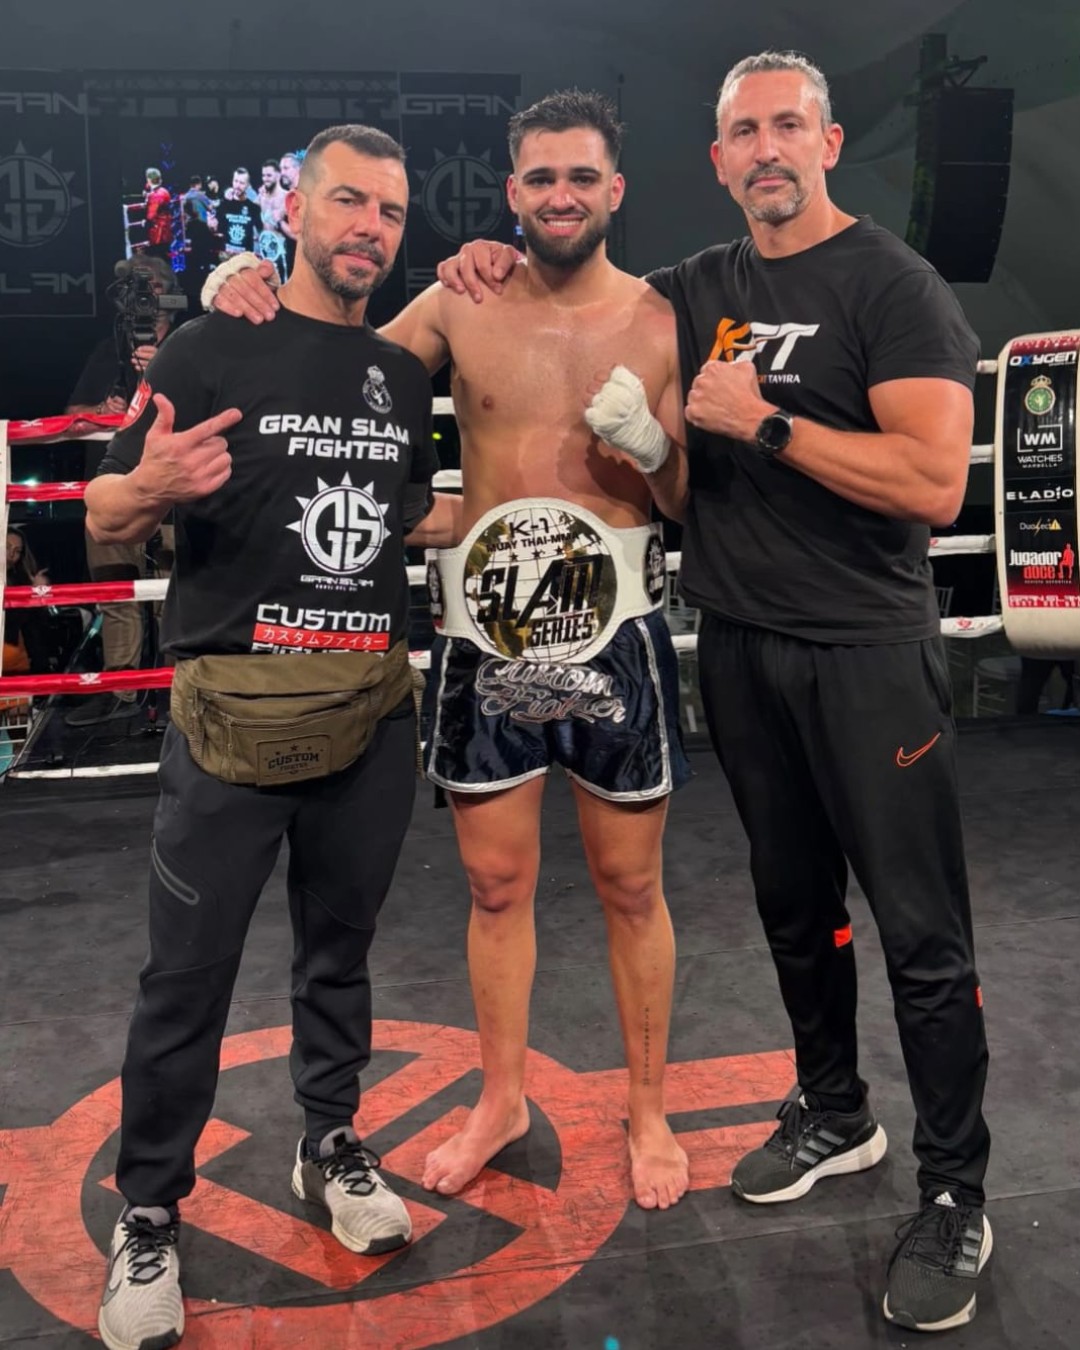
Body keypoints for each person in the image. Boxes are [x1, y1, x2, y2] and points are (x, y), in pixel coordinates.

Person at [441, 49, 992, 1338]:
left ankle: (956, 1189)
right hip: (738, 645)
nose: (766, 150)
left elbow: (934, 486)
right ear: (716, 160)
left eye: (788, 126)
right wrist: (485, 257)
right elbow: (573, 273)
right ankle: (836, 1111)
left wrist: (767, 422)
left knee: (921, 934)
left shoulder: (893, 285)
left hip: (865, 650)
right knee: (794, 911)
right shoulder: (699, 289)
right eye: (744, 132)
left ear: (829, 141)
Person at [206, 90, 694, 1212]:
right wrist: (236, 287)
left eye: (582, 177)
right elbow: (320, 373)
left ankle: (650, 1110)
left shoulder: (663, 320)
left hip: (616, 627)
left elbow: (685, 499)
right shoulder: (458, 301)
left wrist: (654, 450)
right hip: (486, 630)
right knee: (494, 883)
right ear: (511, 190)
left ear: (615, 190)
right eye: (541, 177)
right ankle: (501, 1099)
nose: (561, 196)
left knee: (631, 884)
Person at [84, 123, 460, 1350]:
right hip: (230, 721)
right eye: (348, 201)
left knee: (340, 957)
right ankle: (150, 1210)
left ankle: (331, 1141)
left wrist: (510, 502)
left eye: (390, 211)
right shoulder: (210, 343)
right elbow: (103, 511)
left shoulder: (398, 375)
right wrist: (152, 488)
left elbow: (402, 510)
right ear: (296, 211)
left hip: (369, 709)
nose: (369, 227)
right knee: (185, 979)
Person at [65, 256, 184, 727]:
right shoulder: (109, 349)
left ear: (170, 294)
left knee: (175, 593)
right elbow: (71, 414)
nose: (144, 296)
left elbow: (220, 408)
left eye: (151, 286)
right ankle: (121, 690)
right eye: (135, 288)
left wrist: (164, 370)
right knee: (115, 592)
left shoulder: (191, 347)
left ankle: (178, 688)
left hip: (172, 491)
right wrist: (100, 409)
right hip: (112, 487)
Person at [142, 167, 173, 262]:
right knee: (165, 257)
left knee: (158, 259)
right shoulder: (164, 191)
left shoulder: (156, 195)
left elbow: (151, 216)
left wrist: (145, 223)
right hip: (165, 231)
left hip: (158, 234)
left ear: (149, 179)